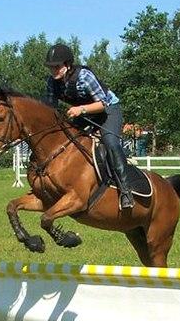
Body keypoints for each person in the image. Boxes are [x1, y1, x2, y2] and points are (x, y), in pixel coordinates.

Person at [44, 43, 135, 209]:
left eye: (57, 67)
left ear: (67, 64)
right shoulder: (52, 82)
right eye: (51, 68)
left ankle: (126, 190)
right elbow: (50, 109)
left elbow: (103, 103)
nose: (53, 71)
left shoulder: (84, 76)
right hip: (85, 114)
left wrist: (81, 109)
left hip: (108, 111)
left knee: (111, 143)